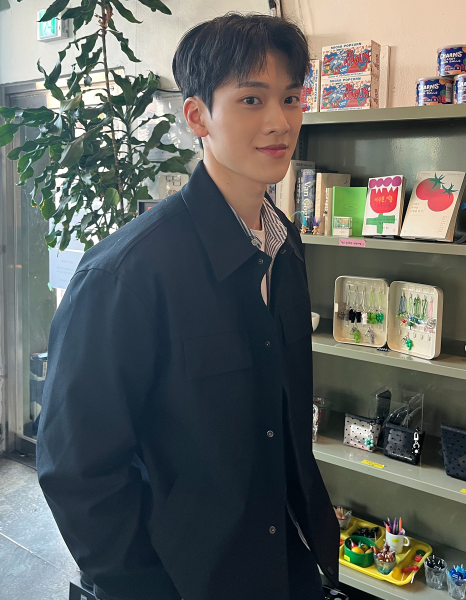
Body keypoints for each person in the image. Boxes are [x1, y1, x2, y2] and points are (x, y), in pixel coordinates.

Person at [36, 12, 340, 600]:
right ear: (197, 116)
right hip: (186, 578)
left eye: (291, 98)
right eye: (251, 99)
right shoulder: (127, 273)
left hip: (287, 559)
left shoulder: (285, 244)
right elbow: (76, 469)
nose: (280, 122)